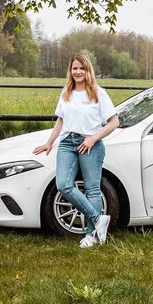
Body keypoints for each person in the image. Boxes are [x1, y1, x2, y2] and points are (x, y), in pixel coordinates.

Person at [33, 53, 118, 248]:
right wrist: (49, 142)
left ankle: (91, 235)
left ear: (88, 70)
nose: (78, 72)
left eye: (82, 68)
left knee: (92, 189)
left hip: (91, 144)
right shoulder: (66, 92)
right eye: (74, 68)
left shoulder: (97, 92)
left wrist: (93, 138)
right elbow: (61, 120)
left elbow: (114, 122)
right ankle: (98, 219)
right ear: (70, 71)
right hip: (67, 142)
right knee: (63, 184)